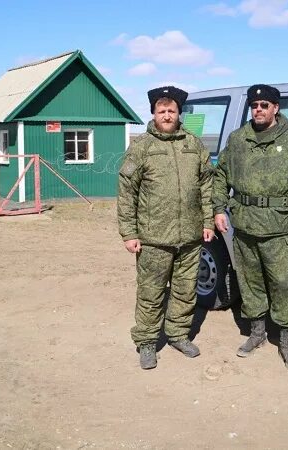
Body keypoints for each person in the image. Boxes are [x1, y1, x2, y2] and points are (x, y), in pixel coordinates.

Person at [213, 84, 288, 371]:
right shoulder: (238, 139)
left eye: (265, 105)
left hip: (279, 227)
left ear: (276, 108)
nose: (259, 110)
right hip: (245, 225)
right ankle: (257, 333)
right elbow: (220, 175)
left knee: (282, 284)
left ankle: (287, 341)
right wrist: (217, 208)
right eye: (255, 105)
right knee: (250, 283)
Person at [117, 86, 215, 370]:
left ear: (179, 113)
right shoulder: (142, 147)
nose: (167, 115)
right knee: (151, 292)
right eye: (162, 111)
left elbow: (206, 186)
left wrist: (207, 222)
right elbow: (127, 191)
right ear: (153, 114)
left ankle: (178, 334)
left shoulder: (193, 145)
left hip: (191, 236)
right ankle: (147, 342)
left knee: (186, 291)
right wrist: (129, 232)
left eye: (172, 111)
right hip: (153, 237)